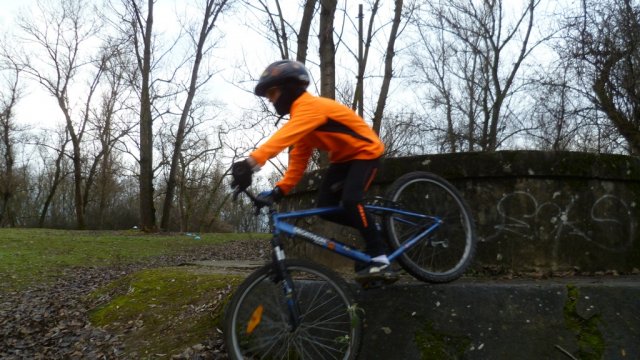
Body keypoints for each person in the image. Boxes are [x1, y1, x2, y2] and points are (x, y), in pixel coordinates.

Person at [231, 59, 397, 284]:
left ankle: (380, 258)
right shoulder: (303, 119)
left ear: (289, 88)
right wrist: (279, 190)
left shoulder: (310, 107)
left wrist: (250, 163)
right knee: (324, 209)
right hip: (344, 159)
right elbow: (298, 161)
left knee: (350, 201)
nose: (270, 100)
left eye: (272, 93)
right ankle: (373, 228)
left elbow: (284, 136)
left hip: (366, 152)